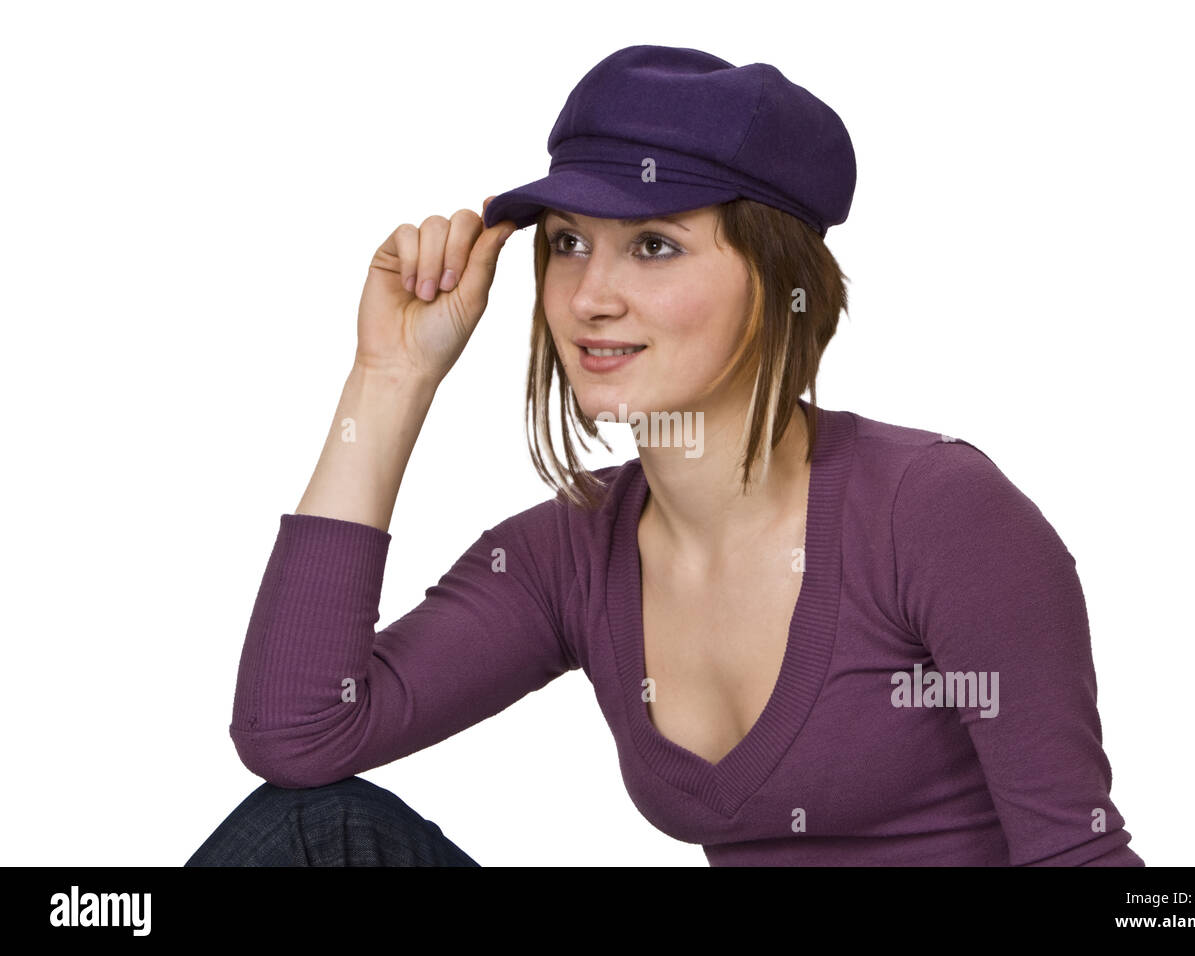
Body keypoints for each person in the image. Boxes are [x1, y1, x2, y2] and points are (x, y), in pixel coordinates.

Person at [187, 44, 1143, 866]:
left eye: (652, 246)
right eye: (568, 243)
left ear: (777, 283)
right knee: (318, 832)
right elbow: (297, 735)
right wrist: (389, 377)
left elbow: (1081, 854)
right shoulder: (568, 555)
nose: (590, 296)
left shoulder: (932, 512)